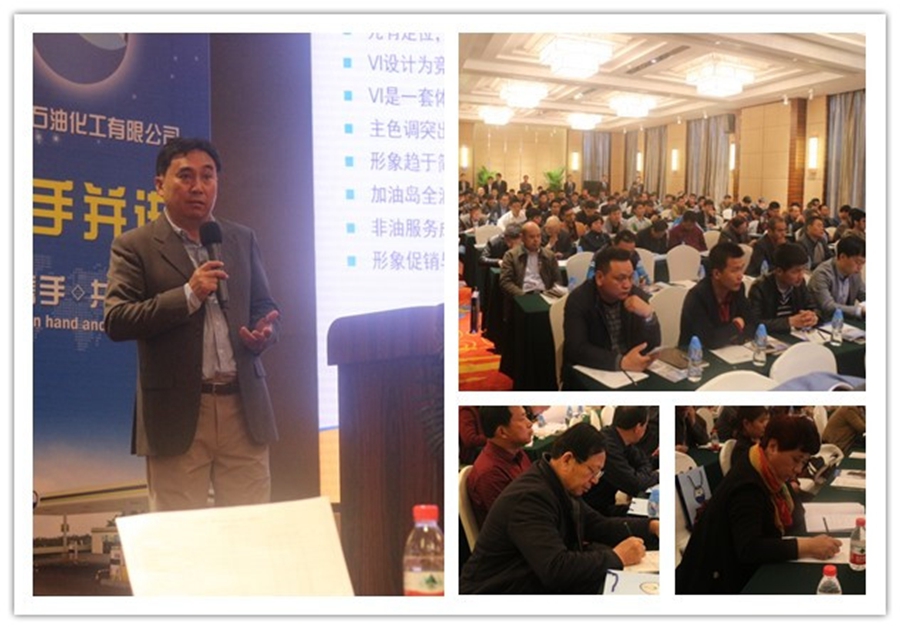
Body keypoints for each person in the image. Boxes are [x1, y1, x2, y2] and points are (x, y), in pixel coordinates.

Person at [104, 137, 280, 512]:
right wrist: (188, 294)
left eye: (207, 176)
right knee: (180, 536)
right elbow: (117, 319)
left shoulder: (241, 238)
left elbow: (263, 305)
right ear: (160, 184)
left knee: (249, 532)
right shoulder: (135, 245)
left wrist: (264, 333)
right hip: (177, 413)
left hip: (244, 407)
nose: (198, 186)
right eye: (185, 176)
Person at [460, 423, 659, 594]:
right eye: (592, 470)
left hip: (531, 581)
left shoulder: (557, 483)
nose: (595, 480)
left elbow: (597, 524)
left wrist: (651, 526)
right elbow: (555, 568)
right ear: (567, 460)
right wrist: (617, 557)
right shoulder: (530, 498)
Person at [675, 414, 842, 594]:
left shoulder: (770, 470)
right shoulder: (747, 485)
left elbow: (797, 514)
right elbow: (749, 548)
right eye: (796, 459)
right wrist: (807, 547)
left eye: (803, 462)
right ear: (773, 447)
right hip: (713, 582)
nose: (798, 469)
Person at [563, 247, 661, 383]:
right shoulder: (579, 300)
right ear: (599, 278)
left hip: (632, 372)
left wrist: (649, 316)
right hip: (594, 373)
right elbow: (576, 348)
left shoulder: (636, 295)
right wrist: (621, 362)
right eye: (620, 279)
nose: (627, 285)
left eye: (630, 277)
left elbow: (652, 346)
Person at [679, 242, 757, 349]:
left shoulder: (737, 289)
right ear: (717, 274)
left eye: (741, 269)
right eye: (734, 270)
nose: (740, 276)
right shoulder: (697, 296)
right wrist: (737, 326)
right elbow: (710, 340)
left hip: (729, 350)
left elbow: (753, 323)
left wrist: (735, 335)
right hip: (696, 353)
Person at [466, 406, 534, 527]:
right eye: (522, 418)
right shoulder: (489, 473)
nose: (529, 423)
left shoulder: (517, 452)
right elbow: (514, 523)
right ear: (502, 432)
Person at [583, 407, 659, 516]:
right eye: (645, 426)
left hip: (603, 506)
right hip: (593, 512)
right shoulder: (607, 447)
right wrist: (657, 476)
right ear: (638, 428)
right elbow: (635, 486)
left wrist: (643, 474)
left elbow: (643, 462)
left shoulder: (619, 438)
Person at [748, 243, 819, 334]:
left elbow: (813, 307)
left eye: (803, 270)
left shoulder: (800, 284)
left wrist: (812, 316)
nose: (801, 276)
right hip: (769, 336)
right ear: (779, 271)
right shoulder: (760, 287)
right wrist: (789, 322)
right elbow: (754, 324)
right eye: (795, 271)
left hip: (795, 334)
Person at [499, 221, 562, 298]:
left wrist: (551, 293)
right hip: (522, 294)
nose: (536, 240)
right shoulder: (511, 256)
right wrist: (522, 295)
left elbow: (557, 280)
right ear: (522, 238)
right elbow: (505, 282)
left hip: (545, 294)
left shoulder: (549, 255)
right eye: (532, 237)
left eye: (538, 236)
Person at [809, 235, 866, 319]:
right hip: (822, 320)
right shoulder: (822, 274)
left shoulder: (854, 273)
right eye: (857, 262)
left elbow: (863, 294)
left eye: (863, 263)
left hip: (844, 320)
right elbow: (828, 307)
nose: (860, 267)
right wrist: (860, 311)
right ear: (842, 257)